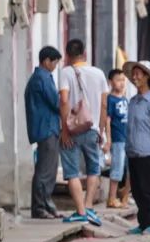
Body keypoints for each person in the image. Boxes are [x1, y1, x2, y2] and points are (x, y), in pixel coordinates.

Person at [58, 39, 107, 227]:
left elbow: (64, 100)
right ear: (84, 53)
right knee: (94, 168)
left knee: (72, 171)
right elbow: (104, 104)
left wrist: (64, 130)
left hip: (72, 129)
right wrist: (101, 129)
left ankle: (80, 211)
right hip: (92, 128)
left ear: (67, 55)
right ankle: (88, 207)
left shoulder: (66, 72)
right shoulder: (99, 74)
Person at [123, 60, 150, 235]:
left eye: (138, 74)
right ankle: (143, 223)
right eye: (133, 74)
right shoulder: (133, 101)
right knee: (138, 191)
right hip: (133, 152)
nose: (134, 77)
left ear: (147, 77)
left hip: (149, 153)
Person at [25, 46, 63, 218]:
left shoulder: (40, 77)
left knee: (48, 168)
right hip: (46, 128)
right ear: (47, 61)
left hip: (46, 127)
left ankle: (45, 204)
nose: (55, 66)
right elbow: (56, 102)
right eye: (54, 62)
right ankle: (40, 206)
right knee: (46, 170)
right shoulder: (43, 77)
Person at [103, 68, 130, 209]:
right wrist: (109, 139)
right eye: (118, 80)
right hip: (117, 138)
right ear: (110, 82)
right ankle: (111, 198)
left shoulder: (125, 98)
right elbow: (107, 120)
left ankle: (124, 197)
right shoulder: (110, 99)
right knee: (117, 168)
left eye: (123, 80)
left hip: (127, 138)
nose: (121, 83)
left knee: (127, 169)